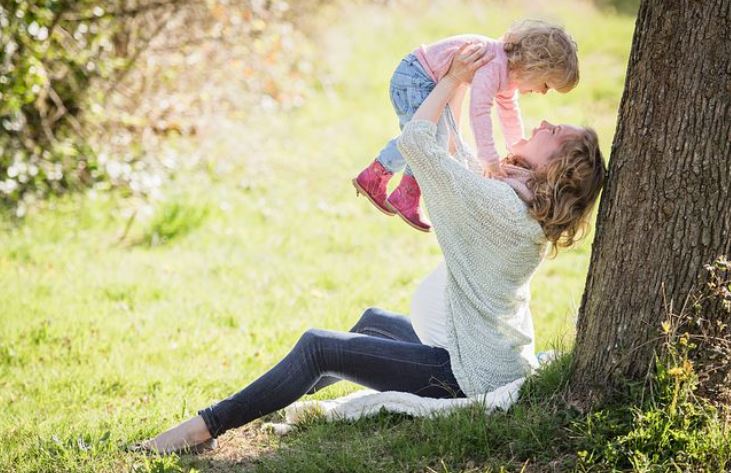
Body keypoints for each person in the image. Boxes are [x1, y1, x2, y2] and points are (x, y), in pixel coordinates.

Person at [137, 43, 605, 455]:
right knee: (371, 324)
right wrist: (459, 85)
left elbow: (419, 143)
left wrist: (451, 79)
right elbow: (458, 159)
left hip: (466, 372)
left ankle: (206, 426)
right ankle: (268, 397)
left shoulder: (500, 207)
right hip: (476, 351)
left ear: (556, 168)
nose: (542, 121)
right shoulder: (518, 202)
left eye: (554, 131)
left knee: (319, 347)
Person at [353, 20, 579, 232]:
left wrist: (516, 146)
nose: (542, 92)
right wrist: (489, 158)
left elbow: (509, 112)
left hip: (421, 78)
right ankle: (396, 188)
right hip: (415, 78)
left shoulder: (507, 72)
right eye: (547, 85)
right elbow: (479, 111)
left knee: (427, 137)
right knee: (425, 137)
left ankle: (389, 184)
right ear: (535, 66)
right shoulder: (494, 64)